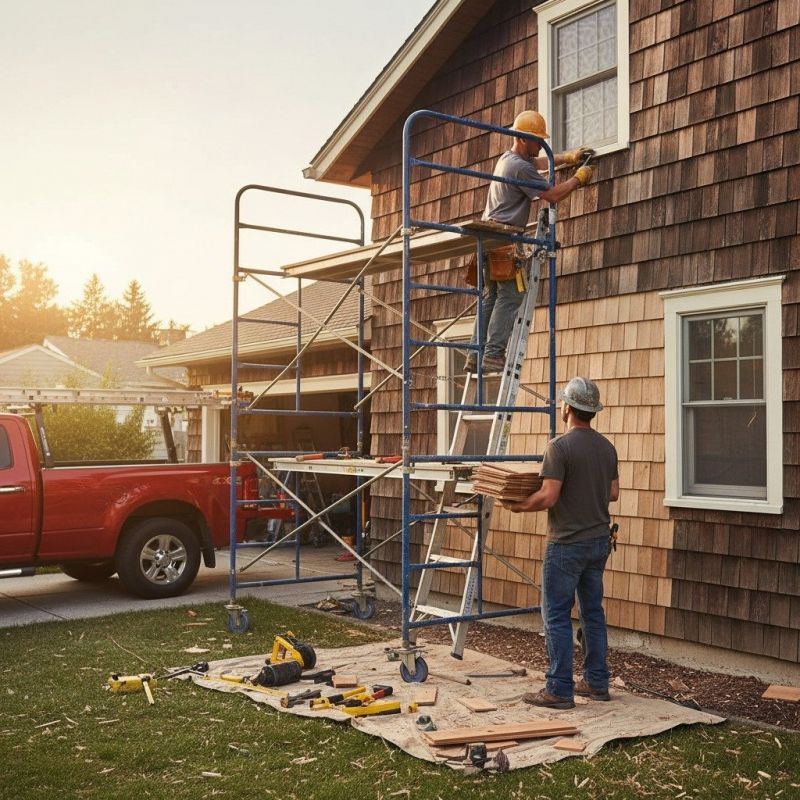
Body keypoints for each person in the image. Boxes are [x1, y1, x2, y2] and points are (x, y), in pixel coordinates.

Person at [502, 377, 619, 709]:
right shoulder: (606, 447)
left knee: (555, 614)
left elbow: (549, 496)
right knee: (592, 613)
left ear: (567, 408)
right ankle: (597, 683)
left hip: (567, 544)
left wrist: (519, 505)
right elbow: (613, 493)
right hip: (598, 542)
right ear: (592, 411)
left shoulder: (559, 447)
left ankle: (559, 689)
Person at [465, 110, 594, 373]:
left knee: (491, 298)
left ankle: (475, 354)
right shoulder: (518, 166)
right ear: (523, 139)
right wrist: (577, 179)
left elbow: (539, 164)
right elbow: (553, 195)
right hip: (504, 237)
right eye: (537, 141)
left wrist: (568, 158)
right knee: (512, 295)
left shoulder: (508, 159)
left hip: (489, 238)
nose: (539, 146)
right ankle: (493, 354)